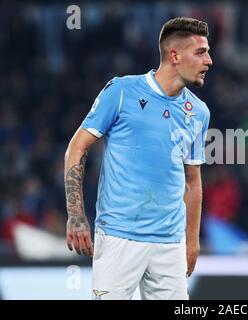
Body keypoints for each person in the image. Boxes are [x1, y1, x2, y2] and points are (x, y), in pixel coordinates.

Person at [64, 17, 212, 300]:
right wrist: (76, 215)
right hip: (120, 236)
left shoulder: (199, 112)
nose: (210, 61)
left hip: (170, 243)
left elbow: (192, 182)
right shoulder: (122, 92)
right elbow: (76, 149)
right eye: (201, 52)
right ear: (175, 55)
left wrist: (192, 242)